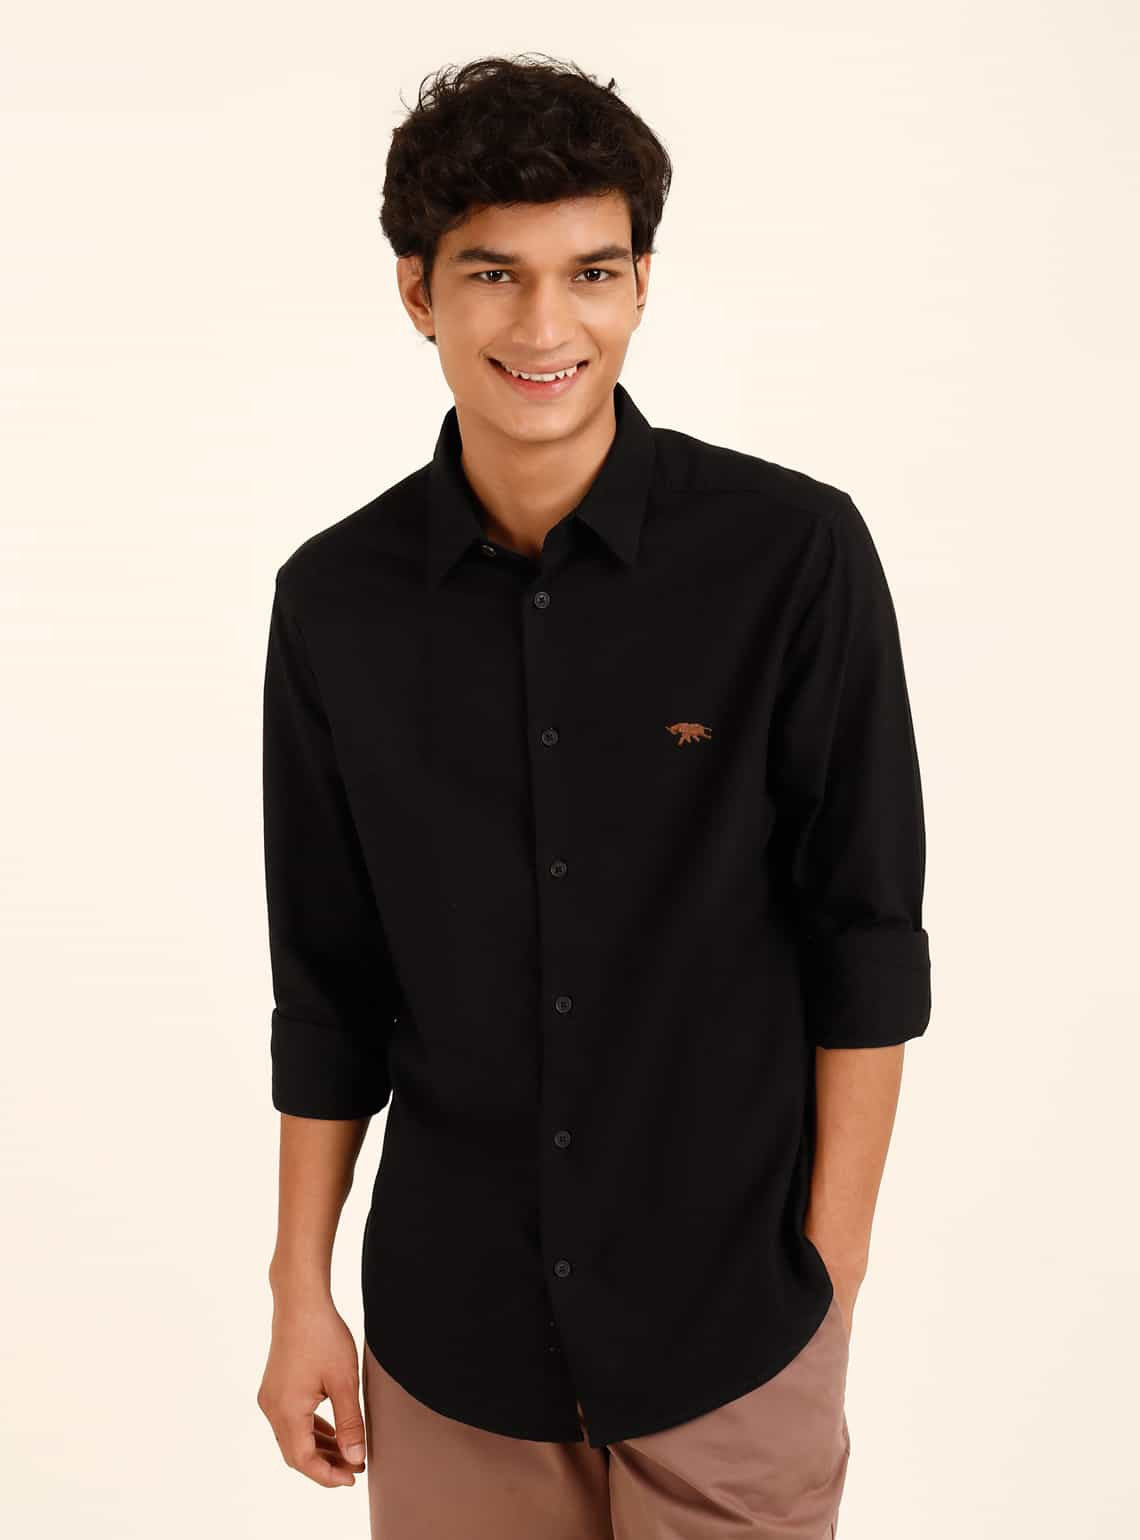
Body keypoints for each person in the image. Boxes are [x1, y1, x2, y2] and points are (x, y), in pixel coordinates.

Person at [256, 52, 932, 1539]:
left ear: (641, 286)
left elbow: (866, 936)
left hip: (734, 1332)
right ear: (418, 293)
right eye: (493, 275)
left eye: (592, 272)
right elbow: (329, 981)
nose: (546, 327)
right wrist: (300, 1286)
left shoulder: (791, 556)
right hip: (452, 1342)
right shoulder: (335, 603)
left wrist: (829, 1281)